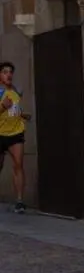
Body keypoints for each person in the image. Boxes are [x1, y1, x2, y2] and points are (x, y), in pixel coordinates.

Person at [0, 62, 30, 213]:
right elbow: (4, 108)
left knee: (18, 165)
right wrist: (2, 107)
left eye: (10, 72)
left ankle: (19, 201)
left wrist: (23, 115)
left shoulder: (17, 90)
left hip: (16, 132)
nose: (9, 75)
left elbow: (15, 109)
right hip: (0, 133)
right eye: (5, 72)